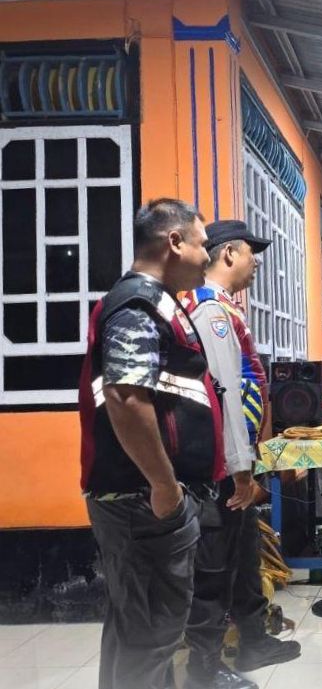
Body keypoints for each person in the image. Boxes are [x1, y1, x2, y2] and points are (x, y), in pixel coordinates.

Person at [78, 198, 220, 689]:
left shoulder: (156, 302)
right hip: (144, 501)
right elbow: (124, 396)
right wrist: (164, 486)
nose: (207, 256)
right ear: (174, 242)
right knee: (152, 632)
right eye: (202, 244)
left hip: (146, 500)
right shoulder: (138, 303)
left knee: (138, 630)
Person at [182, 220, 301, 689]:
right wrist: (239, 469)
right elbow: (225, 395)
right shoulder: (210, 310)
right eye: (252, 253)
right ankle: (204, 668)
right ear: (229, 253)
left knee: (245, 555)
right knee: (215, 569)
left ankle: (254, 639)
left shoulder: (226, 308)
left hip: (237, 458)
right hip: (222, 467)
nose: (256, 263)